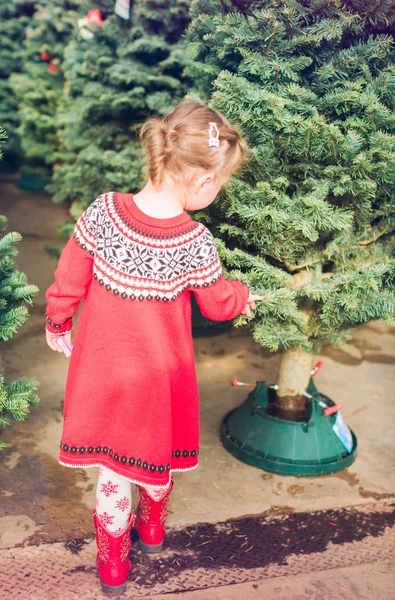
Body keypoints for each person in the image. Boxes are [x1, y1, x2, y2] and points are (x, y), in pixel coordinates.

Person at [45, 99, 262, 595]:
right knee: (153, 455)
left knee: (111, 473)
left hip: (103, 373)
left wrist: (59, 322)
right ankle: (153, 527)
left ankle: (113, 566)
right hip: (159, 379)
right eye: (221, 184)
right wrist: (244, 296)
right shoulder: (195, 242)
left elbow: (68, 277)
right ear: (203, 181)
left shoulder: (103, 210)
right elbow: (218, 304)